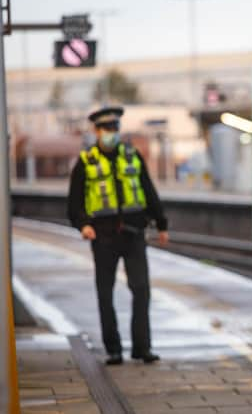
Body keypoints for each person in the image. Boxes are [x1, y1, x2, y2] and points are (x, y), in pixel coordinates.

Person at [67, 106, 169, 365]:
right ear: (96, 131)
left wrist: (161, 223)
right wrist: (83, 225)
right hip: (103, 237)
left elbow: (148, 189)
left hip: (134, 234)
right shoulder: (86, 161)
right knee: (105, 293)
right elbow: (74, 203)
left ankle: (142, 348)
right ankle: (113, 349)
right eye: (106, 129)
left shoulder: (132, 156)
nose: (111, 133)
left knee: (141, 290)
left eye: (115, 128)